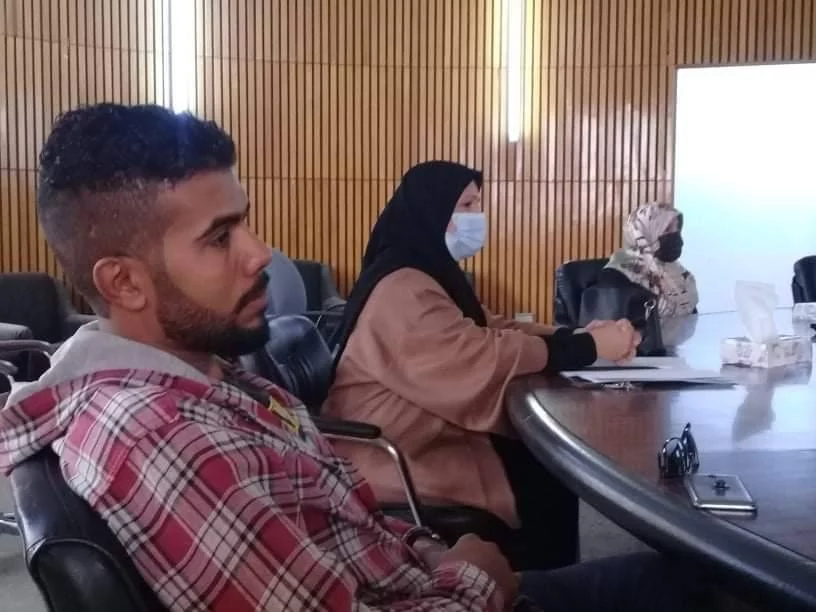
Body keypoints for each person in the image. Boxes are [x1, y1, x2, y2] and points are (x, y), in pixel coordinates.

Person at [0, 104, 713, 611]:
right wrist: (475, 578)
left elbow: (341, 522)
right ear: (123, 283)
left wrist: (434, 557)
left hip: (422, 577)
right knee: (707, 592)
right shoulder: (161, 441)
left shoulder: (203, 379)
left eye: (243, 223)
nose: (261, 254)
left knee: (689, 582)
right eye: (219, 238)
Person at [325, 161, 640, 570]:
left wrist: (577, 336)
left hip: (429, 433)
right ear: (431, 210)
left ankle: (546, 582)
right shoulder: (402, 289)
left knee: (547, 470)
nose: (478, 216)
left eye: (477, 203)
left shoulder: (429, 273)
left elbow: (492, 328)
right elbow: (479, 356)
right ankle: (533, 589)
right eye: (466, 205)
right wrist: (587, 346)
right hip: (400, 454)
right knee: (545, 476)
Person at [601, 202, 698, 318]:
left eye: (677, 229)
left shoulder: (678, 273)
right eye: (667, 229)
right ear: (644, 231)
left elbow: (691, 318)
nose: (676, 236)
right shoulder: (617, 275)